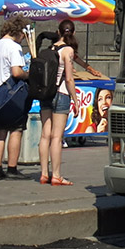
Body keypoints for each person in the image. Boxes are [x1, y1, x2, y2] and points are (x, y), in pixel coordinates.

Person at [0, 16, 31, 180]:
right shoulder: (13, 47)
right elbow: (16, 72)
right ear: (19, 32)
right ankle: (12, 168)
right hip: (11, 97)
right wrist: (28, 75)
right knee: (16, 131)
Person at [39, 19, 79, 186]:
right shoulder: (68, 51)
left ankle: (43, 174)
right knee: (57, 137)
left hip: (46, 93)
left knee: (44, 135)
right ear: (73, 33)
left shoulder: (50, 48)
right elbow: (68, 79)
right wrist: (75, 100)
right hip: (61, 94)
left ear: (58, 32)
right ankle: (56, 175)